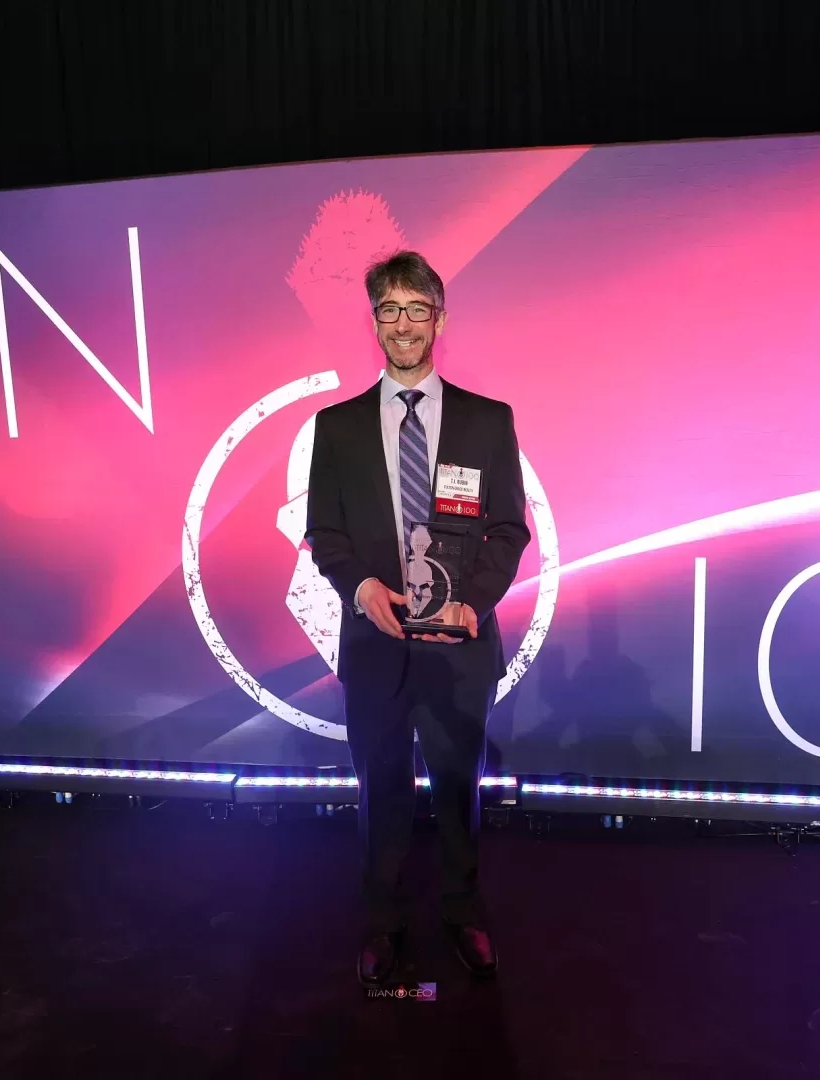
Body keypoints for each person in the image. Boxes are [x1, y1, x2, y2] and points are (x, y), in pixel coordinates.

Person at [304, 250, 531, 987]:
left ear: (440, 318)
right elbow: (325, 533)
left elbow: (509, 529)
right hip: (375, 646)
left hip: (459, 646)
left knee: (459, 787)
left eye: (417, 309)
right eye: (389, 310)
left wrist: (474, 601)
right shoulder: (336, 427)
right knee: (380, 789)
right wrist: (360, 586)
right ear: (374, 321)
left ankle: (464, 911)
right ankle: (383, 922)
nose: (403, 324)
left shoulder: (487, 420)